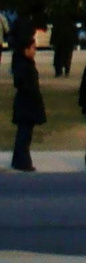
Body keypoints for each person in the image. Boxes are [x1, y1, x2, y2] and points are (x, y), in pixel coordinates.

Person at [10, 29, 43, 171]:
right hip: (26, 103)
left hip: (25, 103)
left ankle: (18, 160)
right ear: (26, 49)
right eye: (33, 48)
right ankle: (23, 162)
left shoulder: (24, 63)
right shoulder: (24, 65)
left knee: (23, 133)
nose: (34, 51)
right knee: (24, 134)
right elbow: (24, 84)